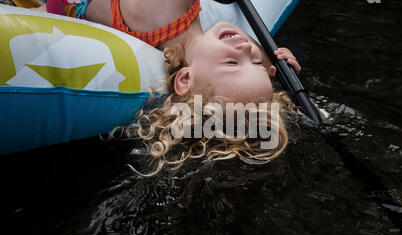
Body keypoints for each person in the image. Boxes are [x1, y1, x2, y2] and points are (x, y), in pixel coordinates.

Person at [10, 0, 303, 176]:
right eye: (255, 61)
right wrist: (272, 64)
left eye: (231, 61)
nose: (243, 46)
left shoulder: (169, 8)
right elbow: (248, 65)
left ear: (185, 80)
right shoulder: (206, 59)